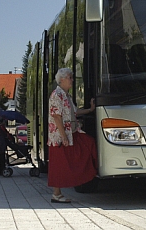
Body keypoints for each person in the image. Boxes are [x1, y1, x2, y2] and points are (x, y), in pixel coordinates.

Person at [48, 68, 97, 203]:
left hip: (73, 132)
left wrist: (90, 110)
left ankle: (88, 174)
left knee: (89, 144)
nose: (72, 80)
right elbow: (56, 116)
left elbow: (75, 112)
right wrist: (63, 136)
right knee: (59, 164)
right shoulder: (57, 95)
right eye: (70, 77)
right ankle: (56, 194)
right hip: (59, 136)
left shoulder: (66, 95)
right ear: (62, 79)